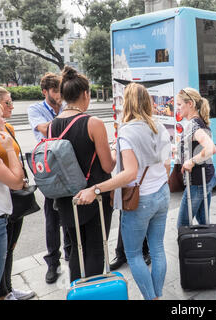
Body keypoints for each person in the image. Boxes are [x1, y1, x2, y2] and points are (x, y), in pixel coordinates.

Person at [75, 83, 171, 300]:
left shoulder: (127, 131)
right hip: (162, 194)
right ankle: (158, 295)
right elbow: (166, 165)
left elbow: (129, 174)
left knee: (134, 254)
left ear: (126, 103)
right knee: (157, 249)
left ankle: (151, 297)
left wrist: (95, 188)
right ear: (148, 101)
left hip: (140, 201)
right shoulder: (160, 126)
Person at [50, 66, 116, 283]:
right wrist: (114, 151)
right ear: (86, 94)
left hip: (66, 199)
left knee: (76, 249)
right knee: (96, 249)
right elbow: (107, 166)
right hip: (94, 197)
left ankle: (77, 291)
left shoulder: (52, 125)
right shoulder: (93, 123)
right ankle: (94, 292)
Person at [0, 86, 36, 300]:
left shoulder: (8, 129)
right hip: (0, 203)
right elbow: (11, 176)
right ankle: (2, 292)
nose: (11, 107)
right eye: (6, 103)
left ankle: (7, 288)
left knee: (9, 247)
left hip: (12, 199)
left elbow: (15, 163)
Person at [27, 73, 71, 284]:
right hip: (49, 170)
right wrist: (71, 123)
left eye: (61, 90)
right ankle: (53, 263)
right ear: (45, 92)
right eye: (55, 91)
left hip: (68, 167)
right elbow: (43, 128)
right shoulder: (35, 109)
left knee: (70, 214)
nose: (59, 95)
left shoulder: (65, 106)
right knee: (52, 219)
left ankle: (71, 254)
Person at [175, 88, 216, 228]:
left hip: (198, 181)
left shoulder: (194, 125)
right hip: (205, 177)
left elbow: (210, 148)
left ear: (190, 104)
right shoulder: (198, 121)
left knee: (183, 224)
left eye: (180, 104)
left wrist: (191, 161)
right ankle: (206, 247)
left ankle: (197, 247)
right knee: (203, 221)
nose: (178, 108)